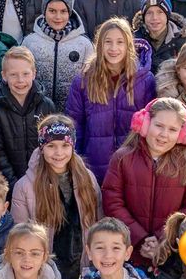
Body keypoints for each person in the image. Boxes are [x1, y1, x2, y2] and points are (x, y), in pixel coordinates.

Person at [102, 98, 186, 269]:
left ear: (183, 134)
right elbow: (112, 202)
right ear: (144, 124)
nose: (164, 134)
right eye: (159, 126)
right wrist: (140, 238)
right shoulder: (122, 158)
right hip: (130, 251)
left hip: (171, 252)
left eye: (172, 129)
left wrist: (163, 237)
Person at [10, 114, 102, 279]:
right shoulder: (24, 187)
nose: (59, 153)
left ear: (72, 145)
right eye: (51, 146)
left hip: (83, 267)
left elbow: (98, 221)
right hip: (46, 273)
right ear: (41, 147)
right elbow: (20, 235)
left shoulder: (87, 178)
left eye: (65, 145)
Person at [66, 18, 157, 182]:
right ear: (100, 45)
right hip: (93, 168)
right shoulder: (83, 81)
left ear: (128, 45)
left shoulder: (145, 80)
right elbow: (75, 126)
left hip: (133, 168)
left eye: (120, 42)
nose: (114, 48)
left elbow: (151, 127)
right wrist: (77, 163)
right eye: (108, 42)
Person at [0, 47, 57, 186]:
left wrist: (43, 179)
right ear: (4, 76)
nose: (20, 80)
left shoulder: (46, 105)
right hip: (9, 183)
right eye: (13, 74)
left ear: (34, 74)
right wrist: (15, 184)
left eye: (25, 74)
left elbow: (51, 145)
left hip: (42, 180)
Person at [22, 0, 93, 108]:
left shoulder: (84, 44)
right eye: (52, 11)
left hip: (72, 112)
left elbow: (90, 82)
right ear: (44, 11)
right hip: (38, 111)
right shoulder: (30, 42)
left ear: (69, 12)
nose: (58, 17)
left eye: (63, 11)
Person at [132, 0, 186, 72]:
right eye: (149, 13)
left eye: (160, 12)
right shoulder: (135, 40)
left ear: (168, 15)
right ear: (143, 16)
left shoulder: (181, 43)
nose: (154, 17)